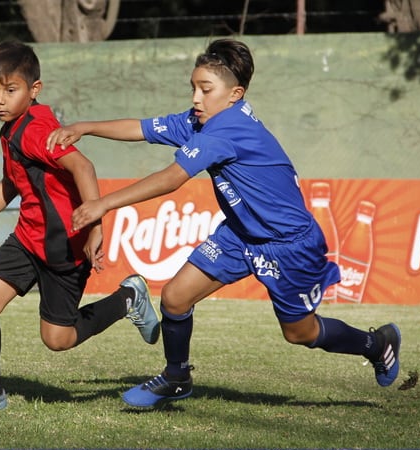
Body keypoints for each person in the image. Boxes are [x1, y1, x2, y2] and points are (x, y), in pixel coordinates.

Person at [47, 38, 401, 408]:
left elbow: (171, 178)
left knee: (300, 332)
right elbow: (142, 128)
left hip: (287, 243)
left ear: (235, 94)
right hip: (239, 234)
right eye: (194, 88)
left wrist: (102, 204)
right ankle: (176, 376)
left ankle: (376, 344)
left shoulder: (227, 130)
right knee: (175, 296)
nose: (196, 98)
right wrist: (84, 126)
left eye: (205, 89)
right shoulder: (202, 122)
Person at [0, 40, 160, 412]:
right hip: (27, 239)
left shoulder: (35, 130)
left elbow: (83, 167)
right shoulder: (10, 129)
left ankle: (128, 298)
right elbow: (12, 183)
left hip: (64, 246)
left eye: (10, 90)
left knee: (58, 339)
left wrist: (95, 226)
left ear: (34, 90)